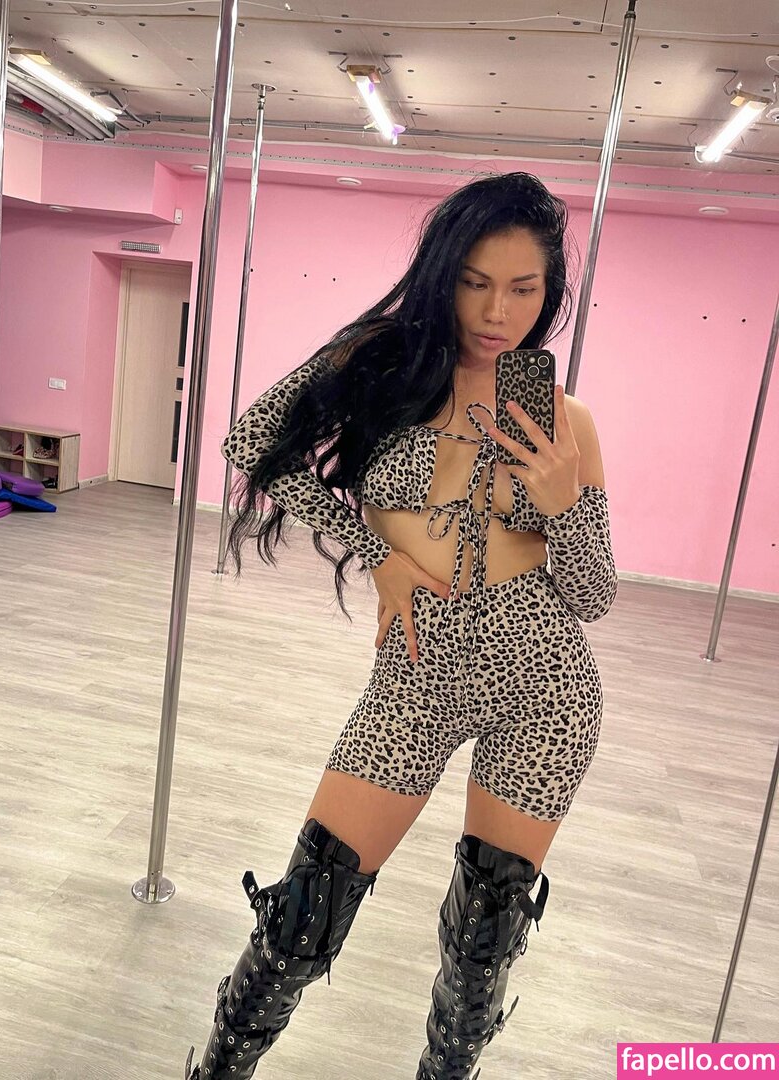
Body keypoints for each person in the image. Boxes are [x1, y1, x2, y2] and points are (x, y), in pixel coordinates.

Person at [185, 171, 618, 1080]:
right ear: (441, 274)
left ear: (549, 294)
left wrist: (563, 502)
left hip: (546, 686)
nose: (497, 312)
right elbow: (250, 444)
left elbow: (590, 597)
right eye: (475, 281)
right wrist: (375, 553)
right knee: (303, 916)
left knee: (481, 954)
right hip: (417, 676)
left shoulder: (564, 421)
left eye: (524, 288)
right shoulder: (377, 366)